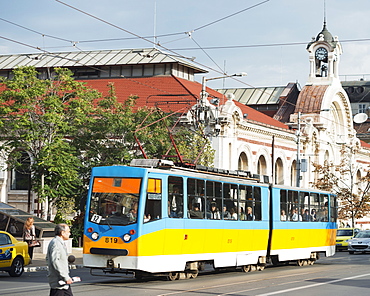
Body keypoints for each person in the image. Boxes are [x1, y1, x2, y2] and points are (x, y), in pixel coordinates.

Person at [46, 223, 78, 296]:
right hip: (59, 282)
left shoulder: (59, 242)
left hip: (62, 283)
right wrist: (65, 277)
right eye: (68, 232)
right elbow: (55, 261)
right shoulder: (56, 243)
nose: (70, 234)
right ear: (62, 233)